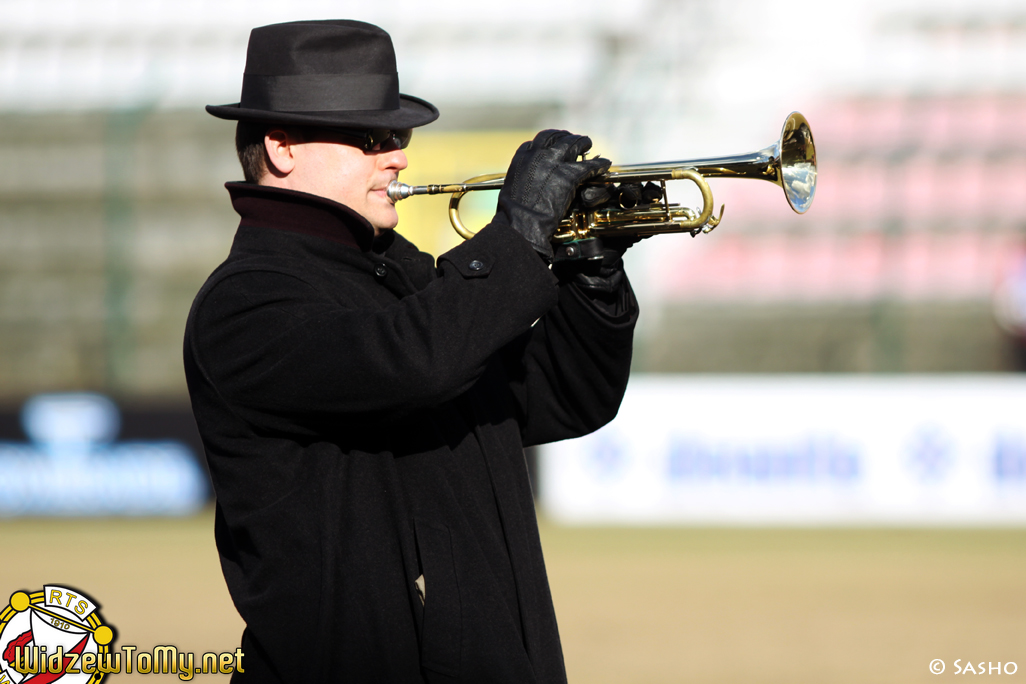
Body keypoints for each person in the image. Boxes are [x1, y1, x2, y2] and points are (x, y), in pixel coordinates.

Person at [184, 19, 639, 684]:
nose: (397, 156)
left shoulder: (403, 278)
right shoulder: (246, 304)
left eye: (397, 137)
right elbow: (412, 362)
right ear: (281, 146)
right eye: (370, 139)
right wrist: (514, 238)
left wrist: (589, 280)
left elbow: (561, 396)